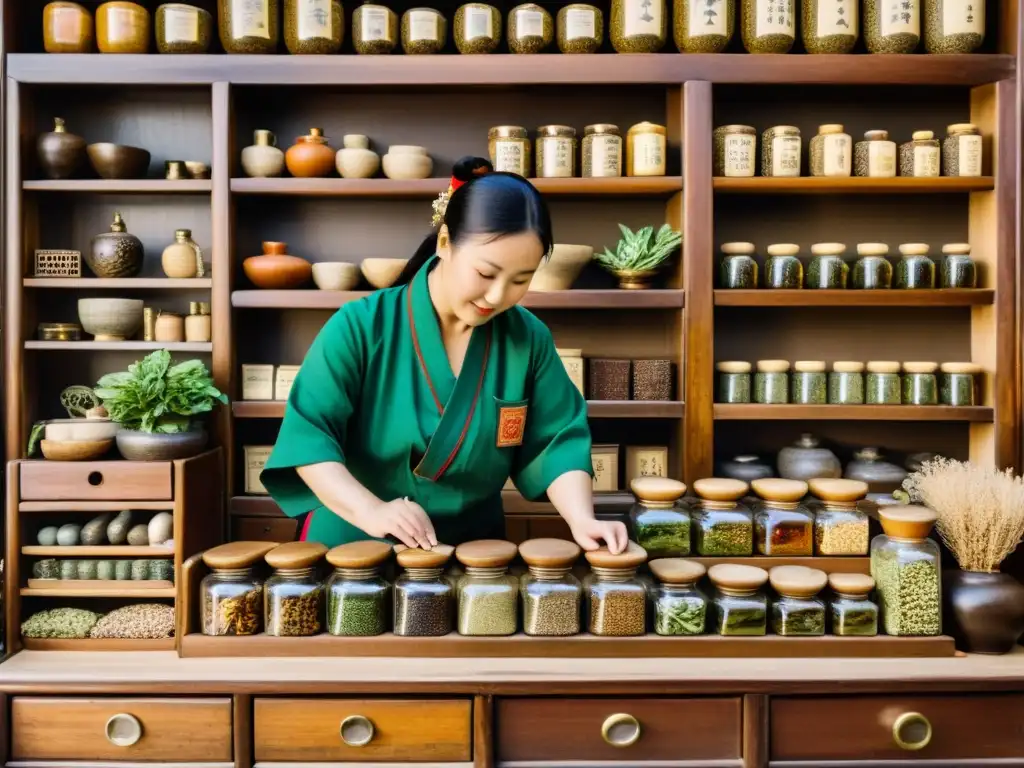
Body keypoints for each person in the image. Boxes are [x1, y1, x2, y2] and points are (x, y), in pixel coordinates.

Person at [259, 155, 628, 555]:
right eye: (486, 274)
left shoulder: (528, 337)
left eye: (521, 280)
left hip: (474, 554)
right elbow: (309, 437)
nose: (497, 296)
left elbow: (557, 439)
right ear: (446, 242)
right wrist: (374, 511)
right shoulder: (362, 325)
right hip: (356, 543)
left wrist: (581, 518)